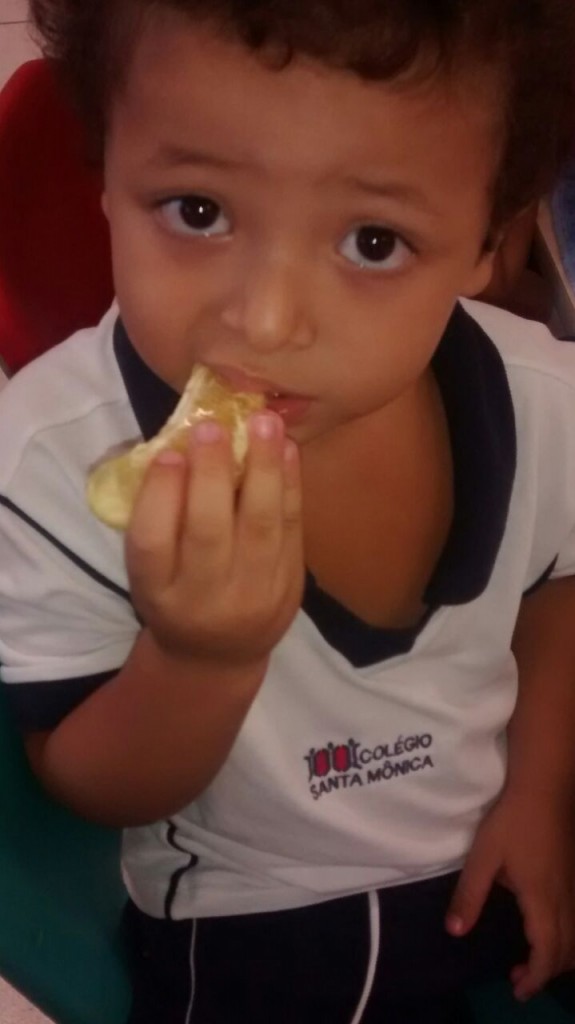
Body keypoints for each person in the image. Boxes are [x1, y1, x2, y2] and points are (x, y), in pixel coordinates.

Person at [2, 1, 575, 1020]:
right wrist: (200, 660)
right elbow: (80, 783)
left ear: (487, 241)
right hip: (259, 911)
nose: (264, 322)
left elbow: (554, 582)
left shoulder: (543, 402)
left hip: (501, 844)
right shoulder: (53, 459)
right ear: (107, 177)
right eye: (196, 211)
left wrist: (536, 795)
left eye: (372, 240)